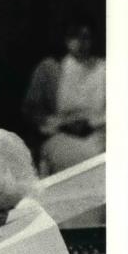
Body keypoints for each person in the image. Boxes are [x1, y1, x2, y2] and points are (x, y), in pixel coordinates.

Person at [23, 15, 105, 175]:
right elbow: (31, 109)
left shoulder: (104, 68)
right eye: (74, 37)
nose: (80, 44)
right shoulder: (50, 69)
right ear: (65, 39)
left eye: (86, 37)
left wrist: (94, 122)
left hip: (97, 134)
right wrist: (57, 123)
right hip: (61, 135)